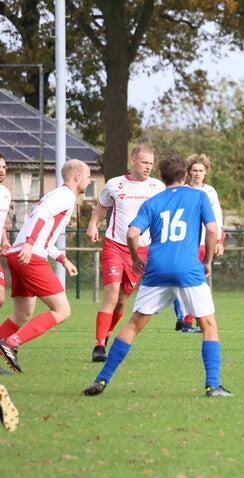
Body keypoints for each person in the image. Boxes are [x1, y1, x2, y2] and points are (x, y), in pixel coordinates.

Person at [83, 151, 232, 397]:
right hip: (188, 269)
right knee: (208, 325)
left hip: (156, 269)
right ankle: (213, 385)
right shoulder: (199, 196)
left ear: (162, 177)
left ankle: (102, 380)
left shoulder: (153, 201)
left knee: (133, 325)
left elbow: (132, 233)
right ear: (184, 175)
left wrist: (135, 258)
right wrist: (207, 261)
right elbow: (213, 230)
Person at [0, 159, 92, 374]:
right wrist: (30, 244)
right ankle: (12, 342)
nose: (89, 182)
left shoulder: (55, 195)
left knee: (23, 313)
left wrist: (63, 259)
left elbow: (45, 234)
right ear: (77, 177)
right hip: (29, 257)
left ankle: (7, 343)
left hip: (17, 254)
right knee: (62, 310)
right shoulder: (66, 196)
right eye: (88, 177)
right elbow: (40, 218)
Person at [86, 145, 165, 363]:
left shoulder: (157, 187)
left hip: (141, 251)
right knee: (111, 295)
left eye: (151, 164)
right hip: (114, 245)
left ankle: (107, 334)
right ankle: (99, 345)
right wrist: (93, 224)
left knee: (122, 301)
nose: (148, 167)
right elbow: (101, 206)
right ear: (133, 161)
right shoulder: (115, 184)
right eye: (144, 162)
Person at [172, 153, 225, 333]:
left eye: (200, 170)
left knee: (199, 284)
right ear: (189, 172)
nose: (197, 173)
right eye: (194, 170)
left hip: (205, 244)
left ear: (205, 172)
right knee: (187, 283)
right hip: (187, 243)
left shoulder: (210, 192)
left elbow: (217, 218)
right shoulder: (182, 190)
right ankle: (186, 321)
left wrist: (219, 240)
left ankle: (191, 322)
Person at [0, 154, 14, 307]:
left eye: (3, 167)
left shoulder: (5, 193)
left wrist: (4, 240)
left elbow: (2, 222)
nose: (1, 170)